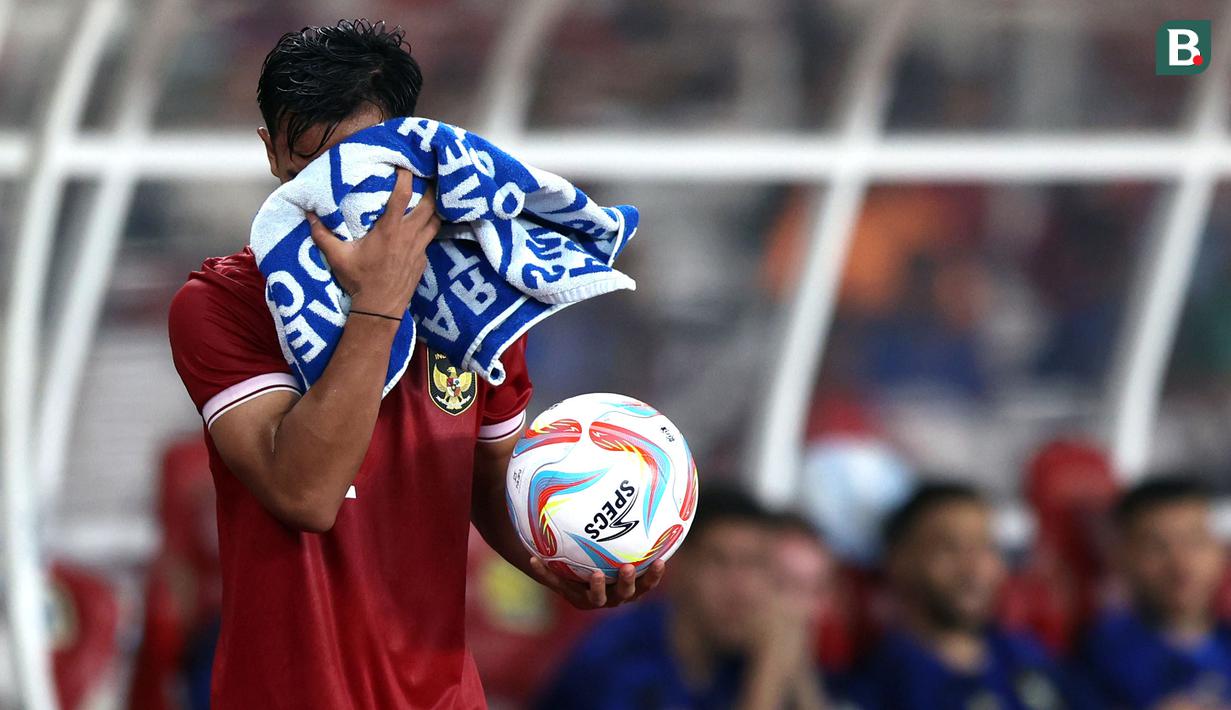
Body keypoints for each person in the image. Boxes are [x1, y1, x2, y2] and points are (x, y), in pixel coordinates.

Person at [167, 20, 663, 708]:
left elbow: (492, 484)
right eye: (314, 164)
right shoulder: (222, 302)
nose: (340, 190)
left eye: (365, 161)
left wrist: (563, 562)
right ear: (273, 155)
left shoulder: (478, 293)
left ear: (410, 146)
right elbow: (304, 495)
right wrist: (380, 306)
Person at [534, 485, 838, 710]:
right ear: (678, 567)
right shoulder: (622, 654)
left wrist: (795, 666)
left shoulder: (740, 652)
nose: (741, 588)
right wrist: (768, 676)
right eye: (720, 562)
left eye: (755, 565)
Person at [847, 482, 1082, 710]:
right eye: (950, 549)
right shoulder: (887, 684)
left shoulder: (1025, 653)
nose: (974, 570)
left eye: (986, 547)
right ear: (900, 561)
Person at [1077, 476, 1231, 709]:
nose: (1181, 565)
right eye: (1157, 547)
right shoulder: (1100, 655)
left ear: (1220, 551)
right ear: (1123, 558)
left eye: (1195, 541)